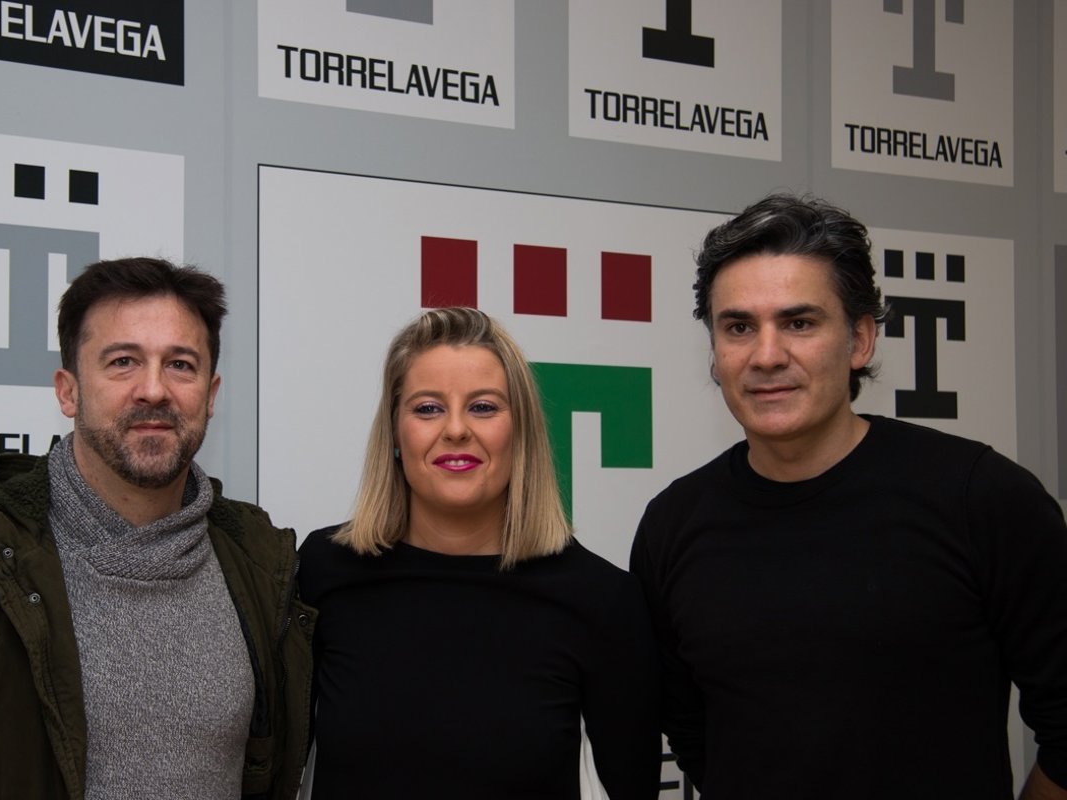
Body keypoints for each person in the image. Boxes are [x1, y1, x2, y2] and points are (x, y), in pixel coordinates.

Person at [630, 193, 1067, 799]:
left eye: (799, 323)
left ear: (860, 340)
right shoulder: (673, 525)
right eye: (739, 327)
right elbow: (692, 734)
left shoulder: (981, 497)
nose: (766, 356)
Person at [0, 257, 315, 799]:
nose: (154, 390)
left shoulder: (262, 569)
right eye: (123, 361)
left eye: (180, 364)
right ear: (68, 391)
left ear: (211, 394)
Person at [298, 307, 661, 799]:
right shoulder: (322, 571)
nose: (455, 430)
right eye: (428, 408)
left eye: (484, 407)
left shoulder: (602, 600)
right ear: (396, 434)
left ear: (521, 431)